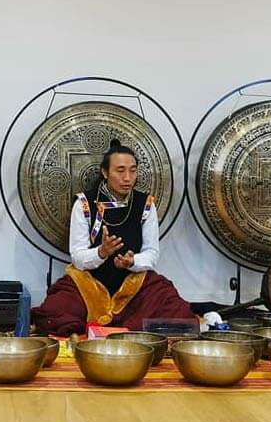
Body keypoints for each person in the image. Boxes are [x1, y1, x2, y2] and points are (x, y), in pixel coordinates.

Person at [32, 139, 197, 336]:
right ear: (105, 172)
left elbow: (152, 253)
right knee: (56, 310)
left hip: (133, 283)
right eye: (120, 171)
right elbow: (77, 257)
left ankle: (107, 329)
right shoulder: (84, 204)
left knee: (175, 308)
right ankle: (113, 328)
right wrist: (102, 252)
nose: (127, 177)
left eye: (133, 170)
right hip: (89, 283)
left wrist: (132, 261)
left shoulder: (145, 204)